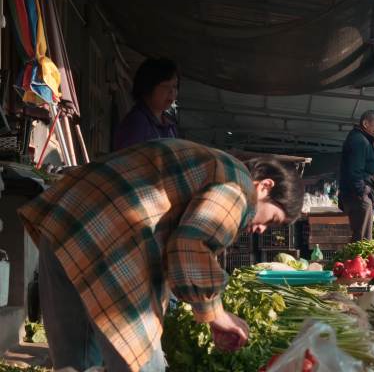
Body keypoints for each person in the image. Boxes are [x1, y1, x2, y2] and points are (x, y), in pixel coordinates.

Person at [17, 139, 304, 371]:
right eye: (272, 220)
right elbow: (192, 245)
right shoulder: (238, 187)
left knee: (73, 362)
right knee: (140, 358)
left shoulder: (217, 164)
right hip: (107, 237)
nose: (262, 229)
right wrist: (215, 313)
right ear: (264, 186)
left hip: (65, 226)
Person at [338, 110, 374, 241]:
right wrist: (363, 192)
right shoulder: (359, 141)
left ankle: (357, 261)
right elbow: (354, 171)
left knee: (361, 237)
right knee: (363, 239)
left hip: (358, 196)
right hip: (359, 197)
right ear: (365, 123)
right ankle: (358, 261)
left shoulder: (362, 139)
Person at [113, 57, 179, 150]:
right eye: (165, 86)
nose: (172, 92)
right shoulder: (137, 123)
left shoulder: (170, 126)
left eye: (175, 86)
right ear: (148, 87)